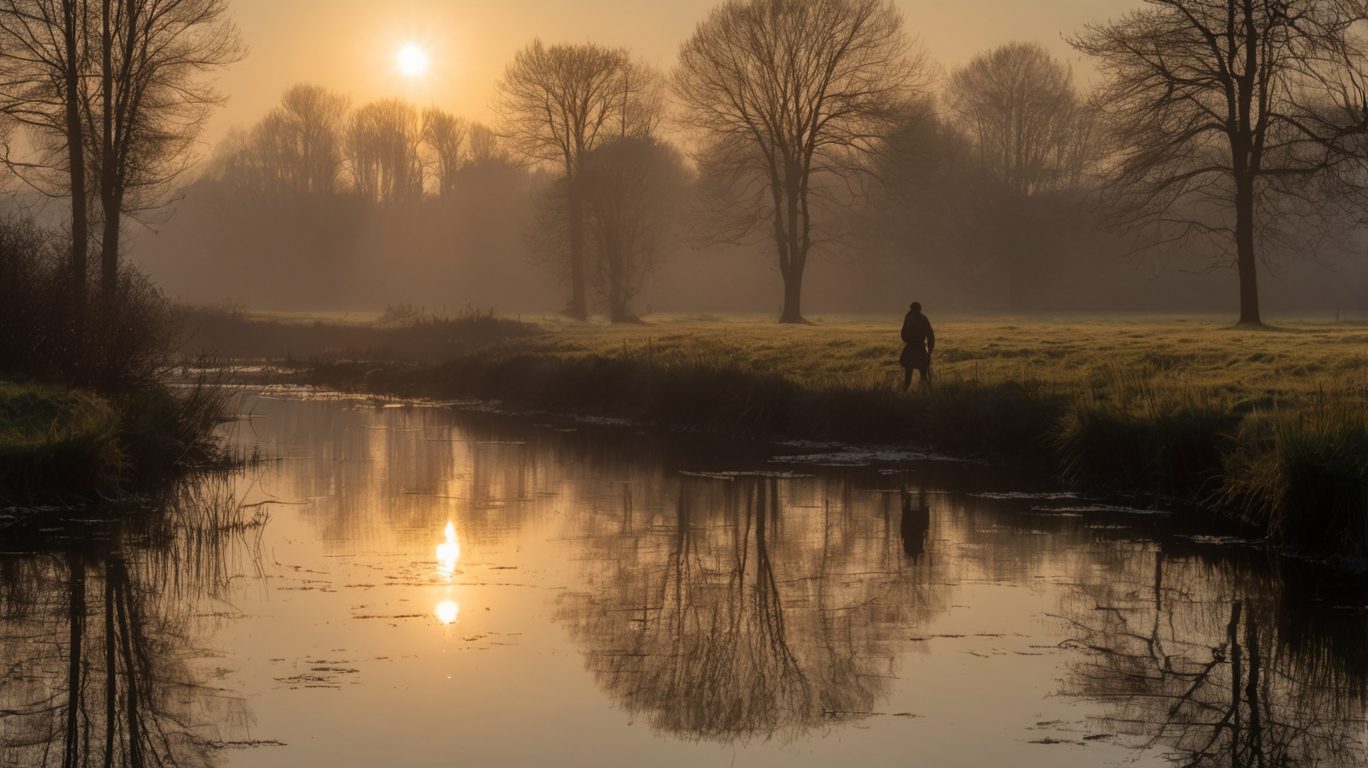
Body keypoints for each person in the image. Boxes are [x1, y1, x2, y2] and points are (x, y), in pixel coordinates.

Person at [900, 301, 935, 390]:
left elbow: (903, 335)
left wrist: (929, 351)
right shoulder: (922, 319)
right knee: (922, 374)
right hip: (919, 348)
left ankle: (906, 392)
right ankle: (924, 391)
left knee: (912, 375)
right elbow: (931, 336)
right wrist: (929, 351)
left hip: (913, 348)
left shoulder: (910, 318)